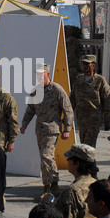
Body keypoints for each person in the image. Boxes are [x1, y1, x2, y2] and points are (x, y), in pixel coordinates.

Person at [20, 63, 74, 198]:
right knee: (45, 158)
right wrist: (24, 124)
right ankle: (51, 184)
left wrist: (67, 129)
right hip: (40, 129)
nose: (39, 77)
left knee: (46, 156)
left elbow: (68, 110)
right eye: (37, 74)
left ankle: (50, 186)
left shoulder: (57, 90)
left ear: (47, 74)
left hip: (52, 129)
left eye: (41, 74)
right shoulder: (35, 90)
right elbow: (30, 109)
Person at [70, 54, 110, 148]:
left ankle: (88, 162)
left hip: (93, 119)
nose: (85, 66)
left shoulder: (100, 81)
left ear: (93, 65)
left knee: (88, 147)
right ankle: (87, 162)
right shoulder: (79, 80)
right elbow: (72, 99)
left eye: (87, 64)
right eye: (84, 64)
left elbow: (107, 102)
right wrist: (67, 117)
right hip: (81, 118)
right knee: (83, 145)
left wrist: (108, 121)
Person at [55, 144, 98, 218]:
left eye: (69, 159)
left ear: (77, 163)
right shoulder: (98, 185)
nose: (67, 161)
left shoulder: (72, 191)